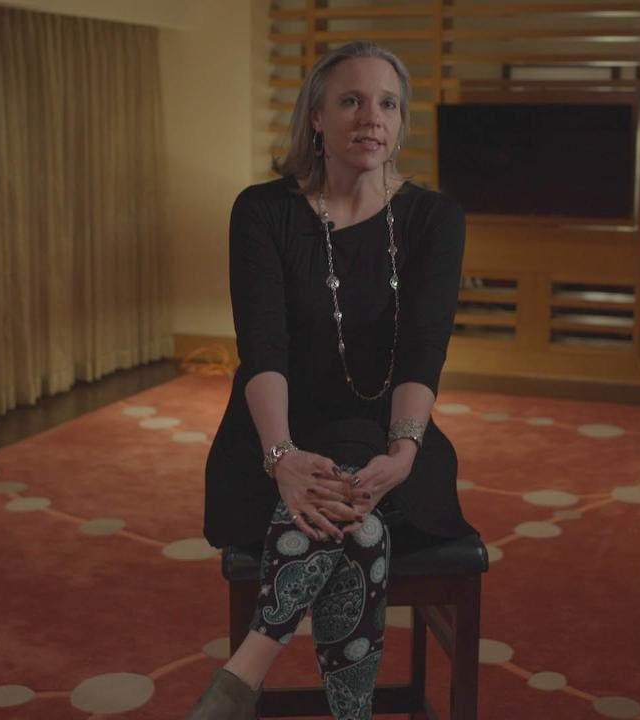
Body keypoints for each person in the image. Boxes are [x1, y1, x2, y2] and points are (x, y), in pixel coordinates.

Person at [187, 40, 477, 720]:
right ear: (316, 117)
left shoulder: (435, 219)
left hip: (388, 442)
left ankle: (245, 670)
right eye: (352, 100)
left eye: (388, 104)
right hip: (276, 437)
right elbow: (262, 349)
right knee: (360, 532)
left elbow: (423, 353)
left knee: (353, 501)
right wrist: (282, 457)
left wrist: (403, 452)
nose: (372, 117)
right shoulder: (262, 211)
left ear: (401, 122)